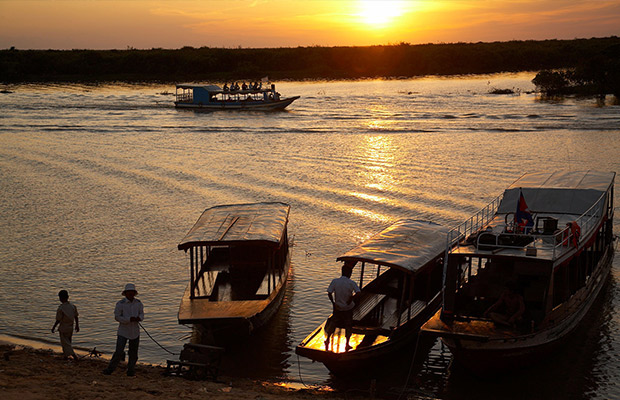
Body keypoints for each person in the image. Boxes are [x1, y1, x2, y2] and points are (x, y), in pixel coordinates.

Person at [103, 283, 144, 377]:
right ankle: (110, 369)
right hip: (123, 331)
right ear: (125, 293)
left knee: (133, 353)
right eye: (129, 292)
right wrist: (129, 319)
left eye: (132, 292)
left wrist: (138, 318)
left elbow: (142, 314)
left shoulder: (138, 303)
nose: (131, 294)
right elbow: (117, 317)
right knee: (118, 352)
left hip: (135, 331)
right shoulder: (120, 304)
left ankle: (131, 370)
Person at [325, 263, 361, 352]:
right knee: (348, 324)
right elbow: (358, 292)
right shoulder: (351, 283)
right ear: (350, 274)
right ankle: (347, 344)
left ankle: (328, 339)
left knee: (333, 322)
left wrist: (333, 303)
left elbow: (329, 293)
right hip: (348, 308)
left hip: (337, 307)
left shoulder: (335, 281)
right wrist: (351, 298)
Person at [51, 289, 79, 361]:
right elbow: (76, 316)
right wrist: (77, 325)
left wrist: (54, 327)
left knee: (65, 343)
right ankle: (66, 356)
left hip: (63, 327)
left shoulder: (61, 308)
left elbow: (58, 320)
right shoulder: (73, 306)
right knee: (68, 342)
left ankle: (73, 355)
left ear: (60, 298)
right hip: (70, 327)